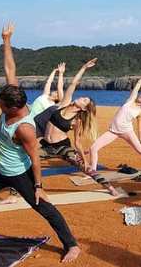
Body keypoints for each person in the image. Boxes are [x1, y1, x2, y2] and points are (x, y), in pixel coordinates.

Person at [0, 22, 79, 262]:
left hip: (20, 174)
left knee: (44, 207)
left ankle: (71, 245)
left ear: (13, 107)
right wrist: (6, 41)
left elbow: (35, 157)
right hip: (0, 171)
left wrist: (39, 186)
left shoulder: (25, 128)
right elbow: (10, 69)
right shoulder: (13, 96)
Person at [38, 58, 120, 196]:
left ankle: (110, 187)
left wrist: (85, 161)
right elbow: (73, 84)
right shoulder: (64, 104)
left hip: (63, 148)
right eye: (83, 97)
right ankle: (12, 194)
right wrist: (84, 68)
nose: (81, 98)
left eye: (84, 100)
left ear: (84, 108)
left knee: (86, 169)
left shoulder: (77, 121)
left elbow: (77, 142)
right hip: (46, 147)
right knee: (24, 163)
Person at [0, 63, 66, 205]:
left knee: (28, 157)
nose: (55, 92)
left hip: (32, 127)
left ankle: (28, 190)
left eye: (57, 93)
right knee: (19, 158)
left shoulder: (55, 106)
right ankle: (13, 194)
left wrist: (62, 75)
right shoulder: (45, 97)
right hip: (23, 121)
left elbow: (60, 89)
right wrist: (55, 71)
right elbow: (48, 84)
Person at [89, 66, 141, 174]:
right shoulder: (130, 100)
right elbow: (139, 82)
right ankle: (93, 172)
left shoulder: (140, 112)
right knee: (93, 148)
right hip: (113, 131)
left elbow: (140, 128)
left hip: (127, 131)